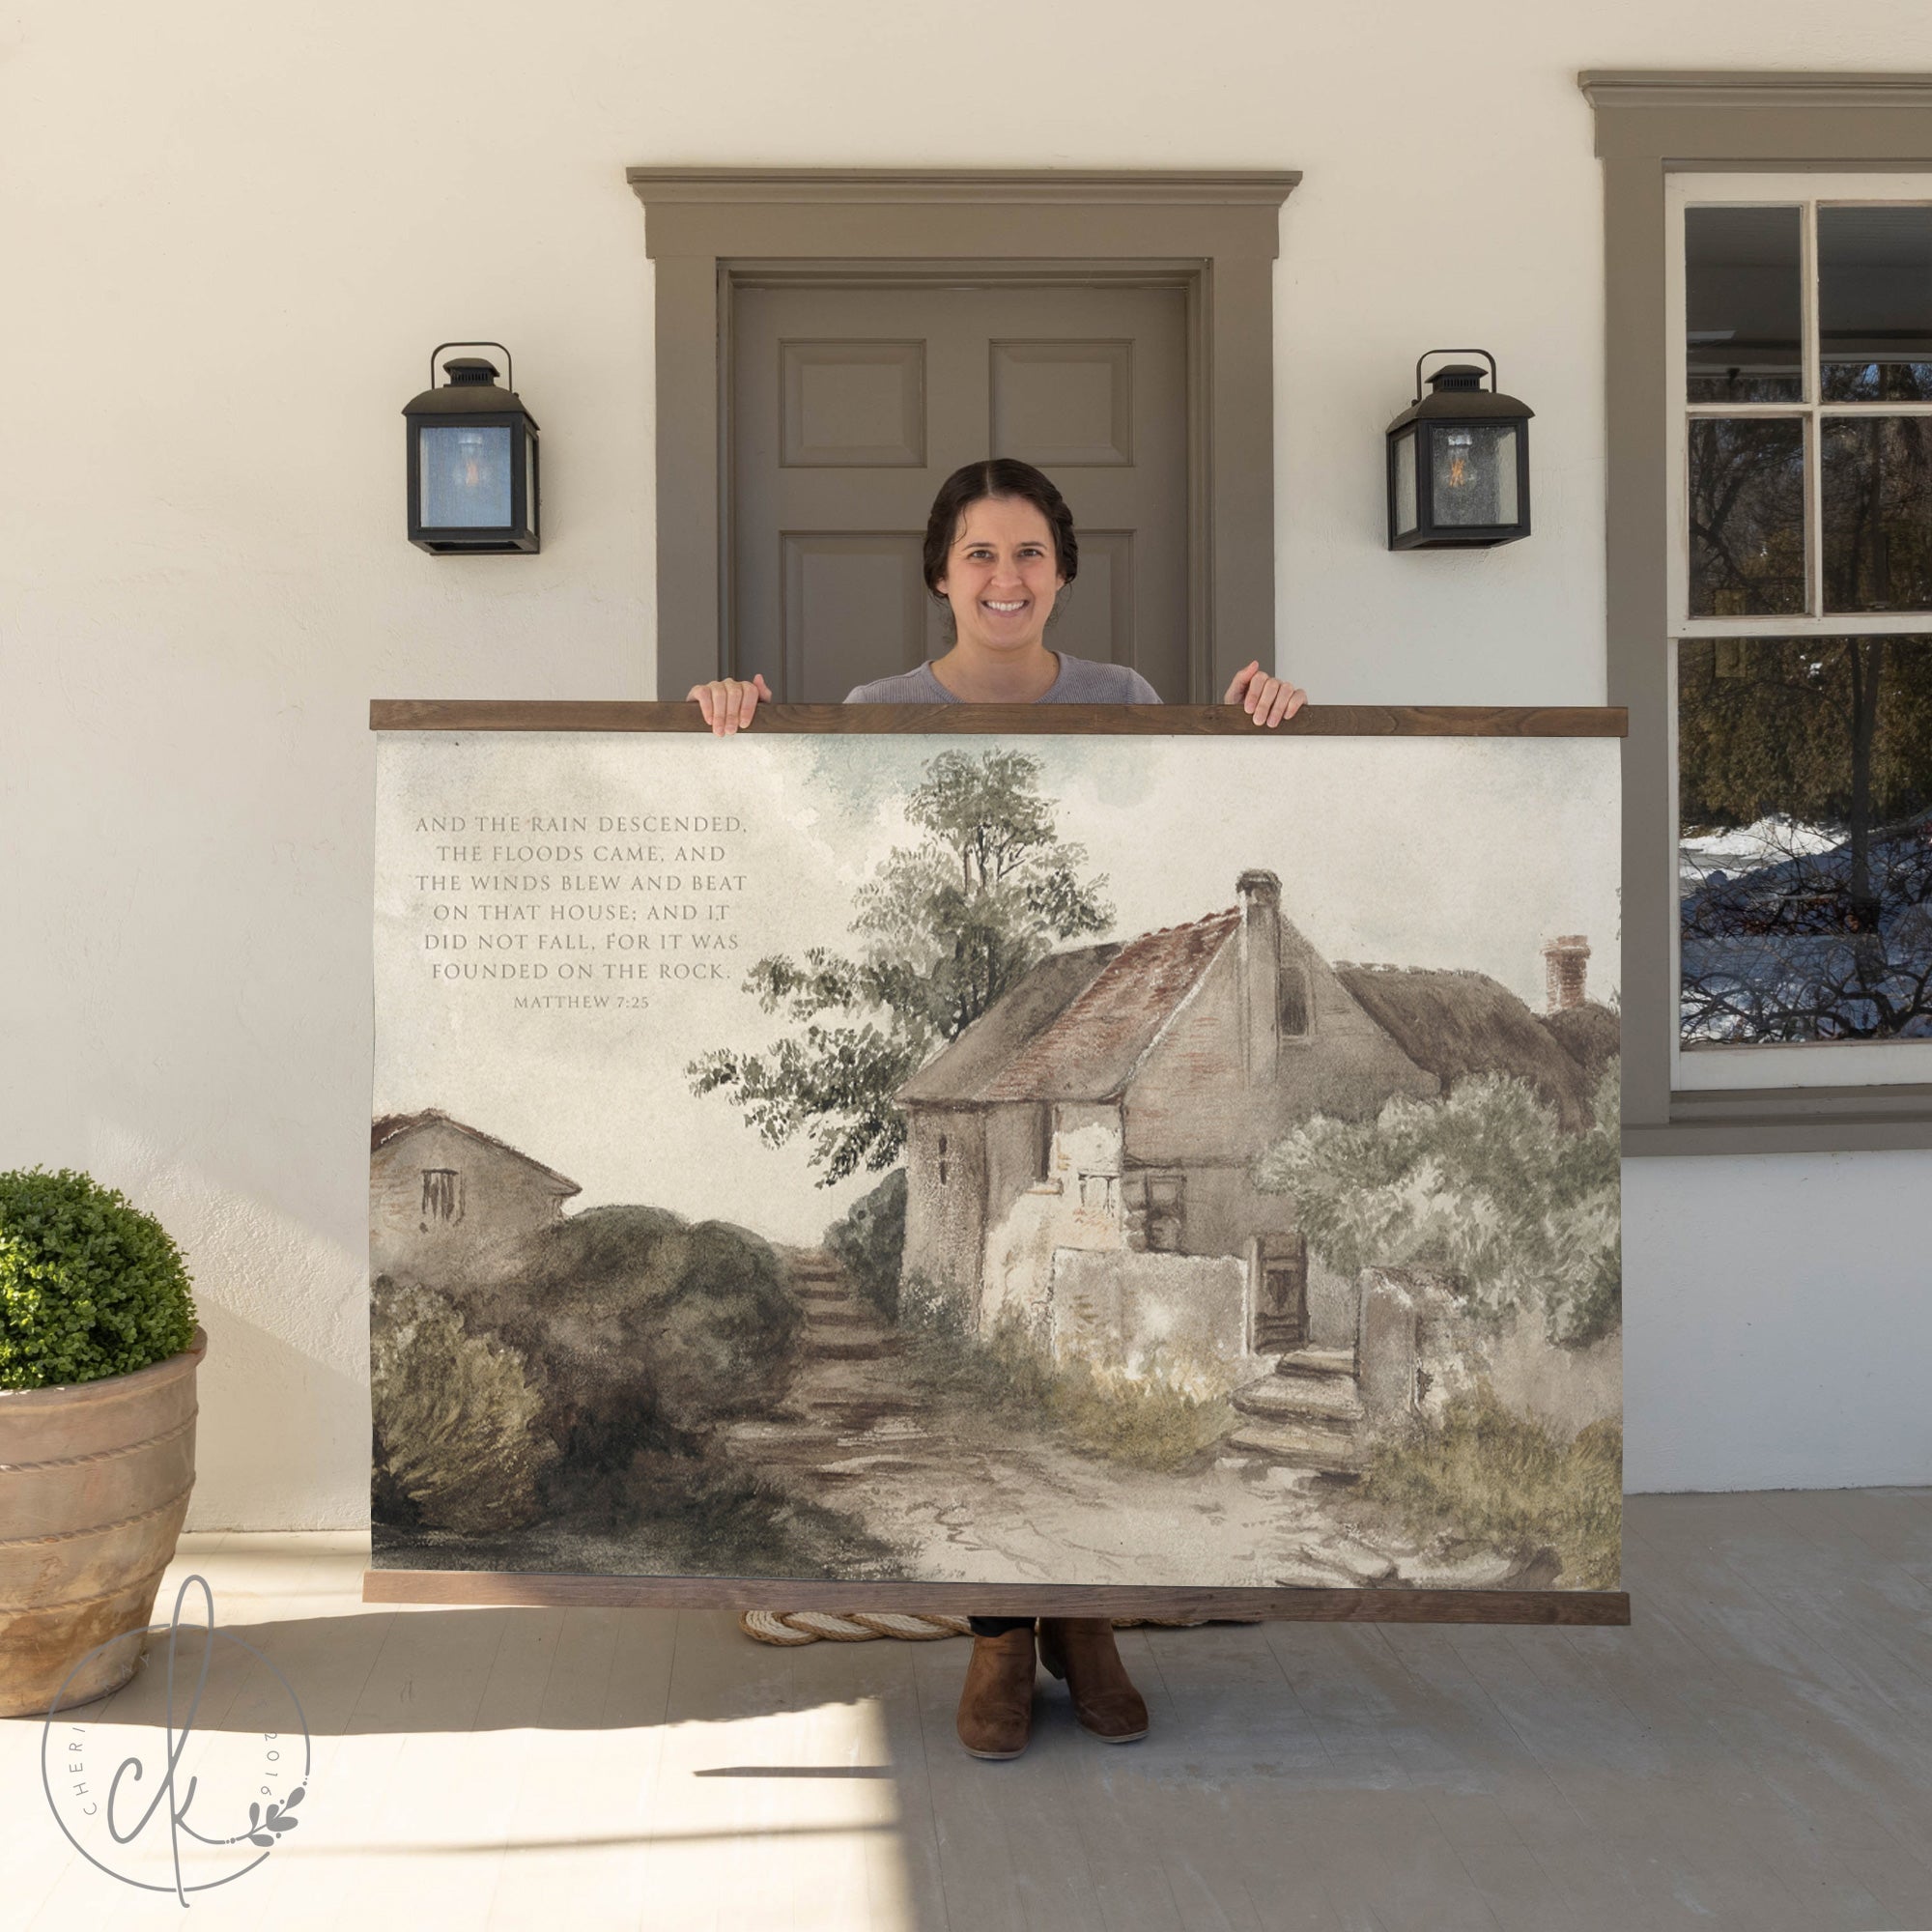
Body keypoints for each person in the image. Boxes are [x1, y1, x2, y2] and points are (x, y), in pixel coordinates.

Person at [691, 458, 1306, 1760]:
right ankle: (997, 1637)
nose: (1006, 578)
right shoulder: (876, 710)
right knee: (989, 1367)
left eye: (1029, 553)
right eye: (979, 554)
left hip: (1077, 961)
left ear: (1064, 572)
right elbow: (819, 835)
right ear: (939, 575)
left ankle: (1086, 1626)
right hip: (992, 1003)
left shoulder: (1126, 703)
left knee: (1052, 1376)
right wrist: (742, 725)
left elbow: (1206, 806)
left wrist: (1266, 720)